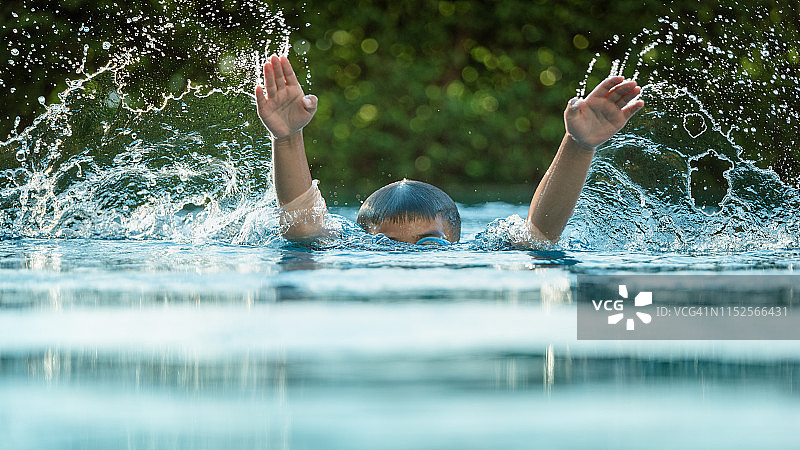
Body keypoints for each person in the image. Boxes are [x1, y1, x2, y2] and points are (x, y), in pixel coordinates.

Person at [254, 55, 644, 246]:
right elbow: (304, 227)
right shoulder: (344, 251)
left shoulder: (480, 251)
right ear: (365, 241)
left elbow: (539, 235)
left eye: (426, 244)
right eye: (389, 248)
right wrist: (287, 138)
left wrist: (577, 146)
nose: (407, 264)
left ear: (455, 240)